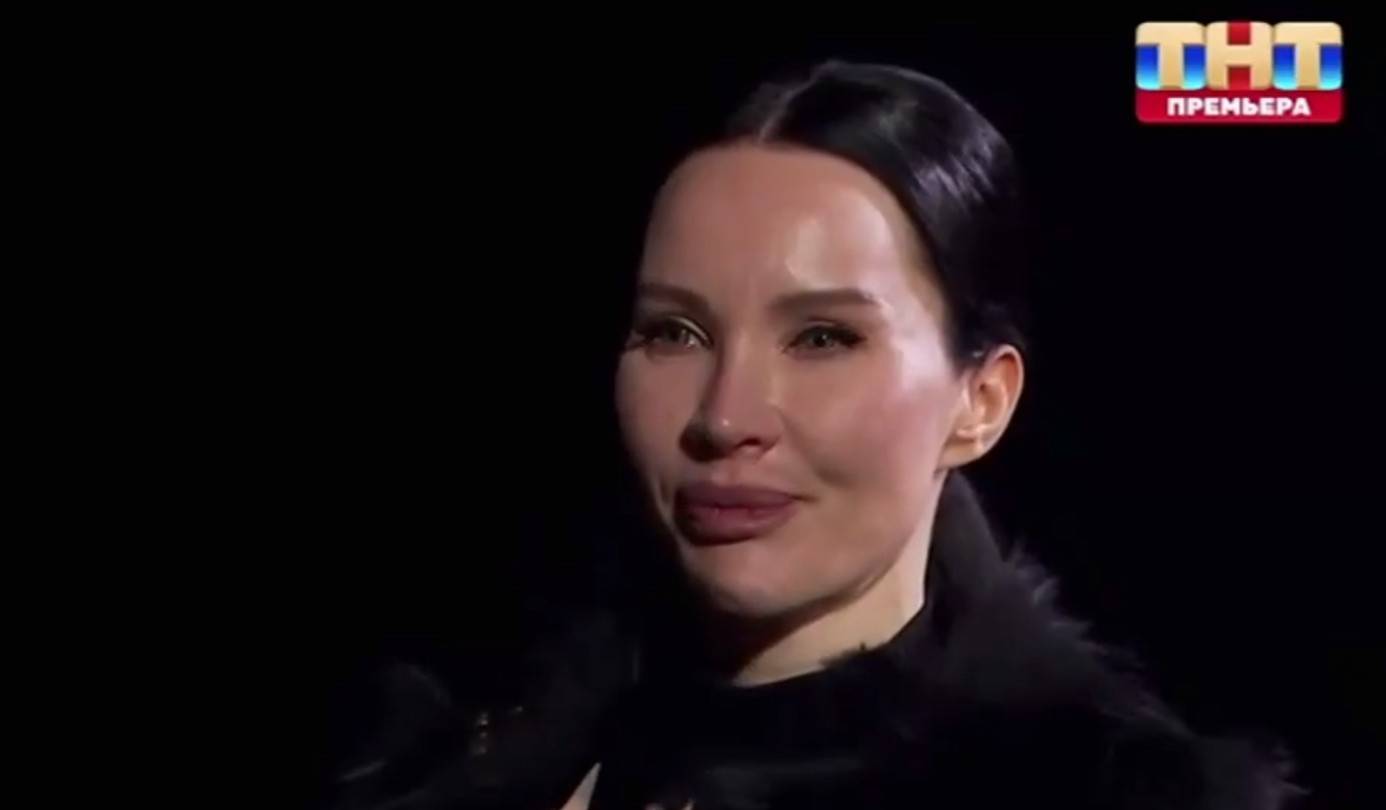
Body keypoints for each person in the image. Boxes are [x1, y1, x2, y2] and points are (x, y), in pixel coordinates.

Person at [320, 60, 1302, 810]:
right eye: (674, 332)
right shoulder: (460, 736)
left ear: (980, 401)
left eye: (823, 337)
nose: (723, 417)